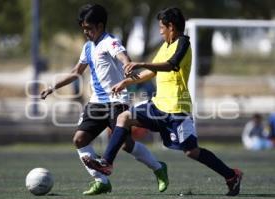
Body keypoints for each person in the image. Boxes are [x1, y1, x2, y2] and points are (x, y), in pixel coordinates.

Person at [83, 7, 243, 196]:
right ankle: (107, 163)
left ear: (171, 27)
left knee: (191, 151)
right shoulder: (165, 45)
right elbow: (153, 72)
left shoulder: (183, 43)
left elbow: (170, 65)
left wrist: (141, 63)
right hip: (157, 106)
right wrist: (126, 81)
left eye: (161, 27)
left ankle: (231, 175)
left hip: (177, 110)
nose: (160, 31)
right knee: (124, 117)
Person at [40, 4, 168, 195]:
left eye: (89, 28)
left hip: (117, 101)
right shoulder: (88, 47)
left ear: (100, 26)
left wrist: (127, 65)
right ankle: (101, 181)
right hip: (96, 103)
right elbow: (76, 72)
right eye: (83, 29)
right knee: (79, 139)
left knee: (126, 144)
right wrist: (53, 87)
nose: (86, 32)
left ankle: (158, 167)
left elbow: (123, 56)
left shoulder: (111, 42)